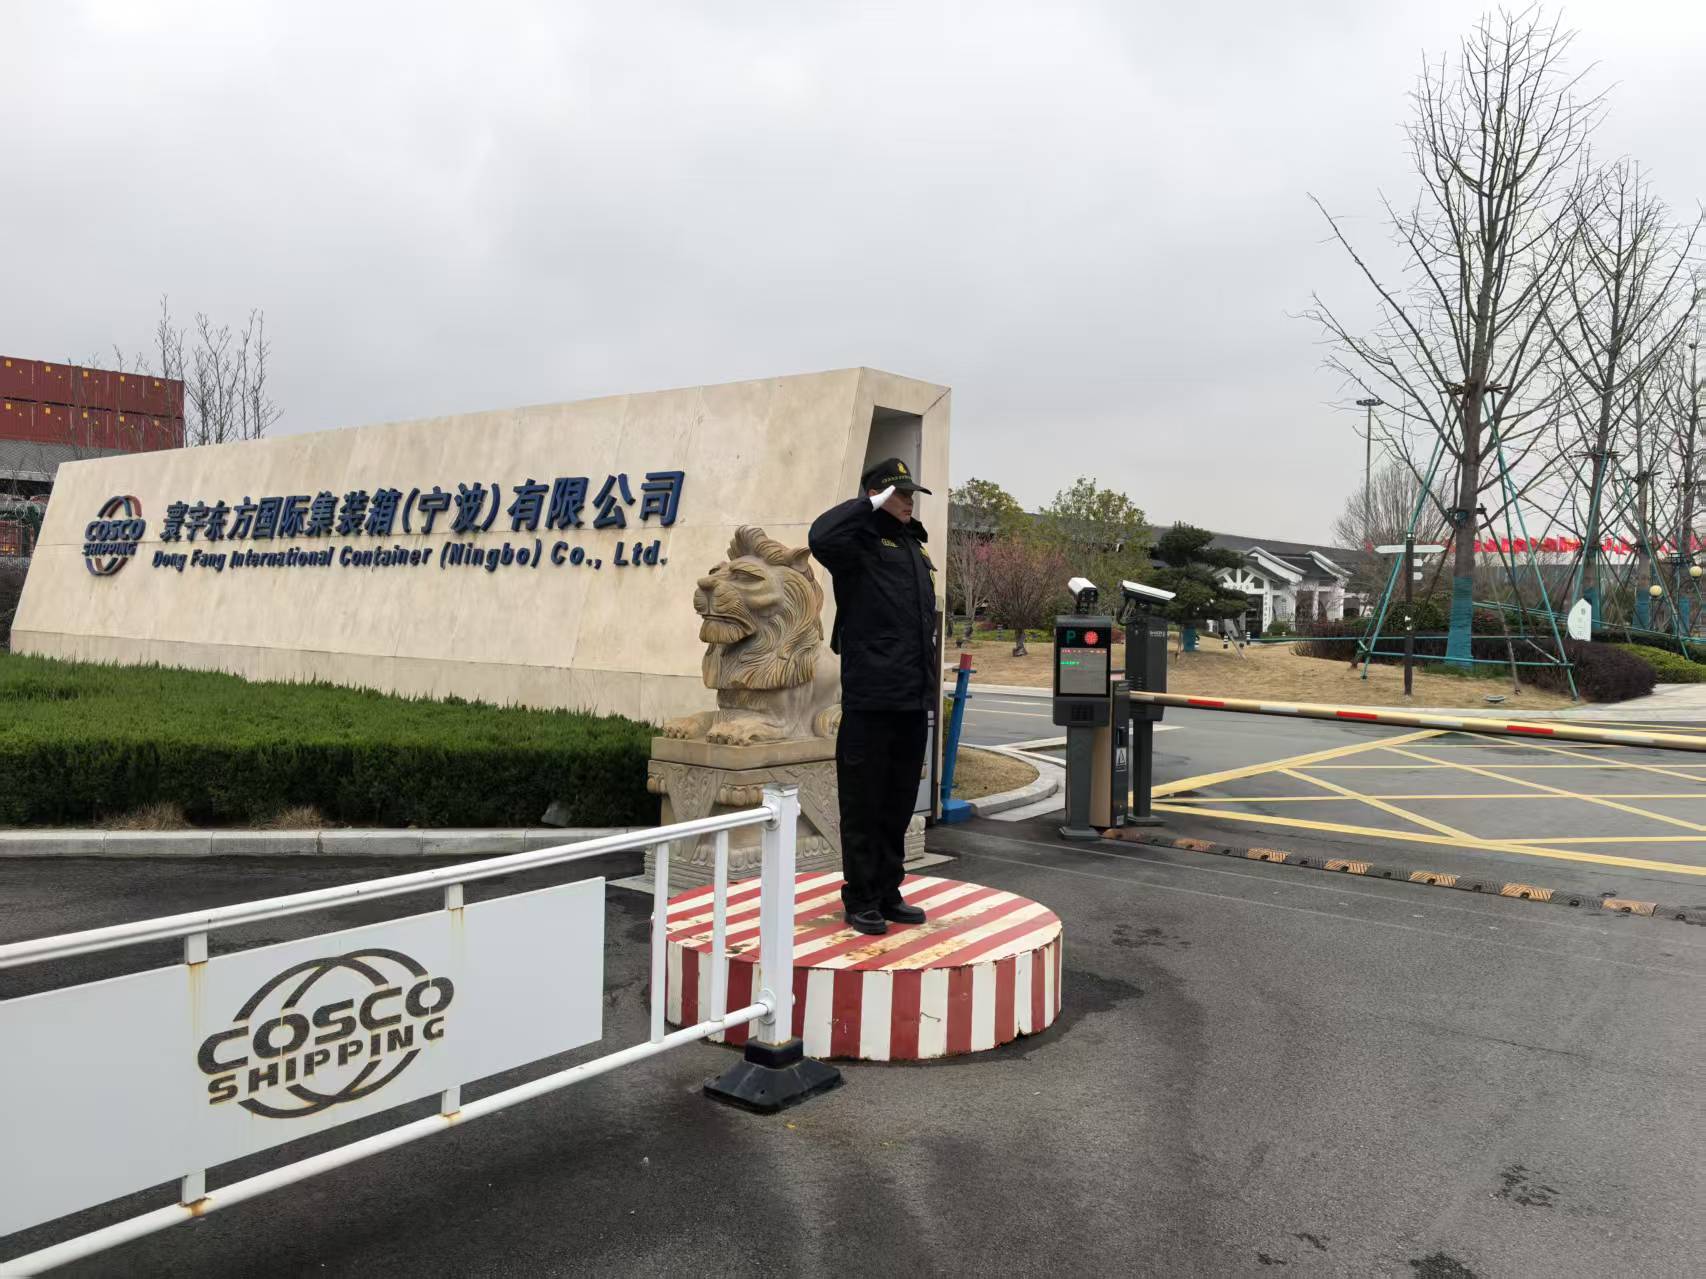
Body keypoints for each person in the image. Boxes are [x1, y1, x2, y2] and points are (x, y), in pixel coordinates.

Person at [809, 457, 940, 936]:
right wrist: (866, 505)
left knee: (897, 803)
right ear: (878, 494)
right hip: (871, 699)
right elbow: (820, 537)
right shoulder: (857, 543)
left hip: (911, 698)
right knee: (864, 804)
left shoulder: (912, 545)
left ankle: (888, 890)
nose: (909, 502)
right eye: (899, 494)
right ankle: (861, 897)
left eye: (910, 494)